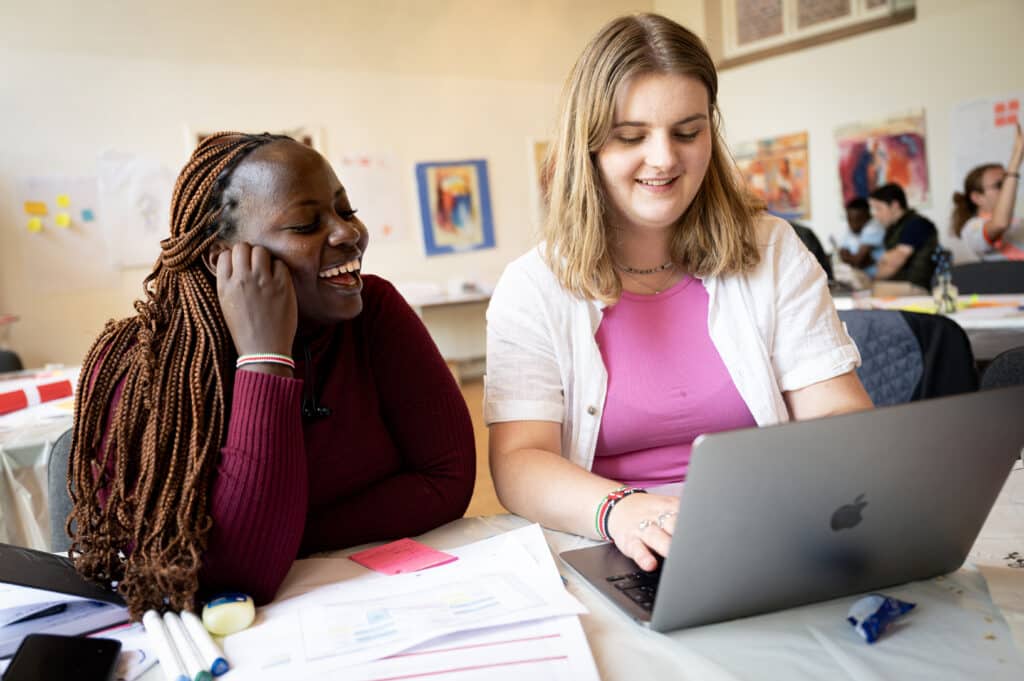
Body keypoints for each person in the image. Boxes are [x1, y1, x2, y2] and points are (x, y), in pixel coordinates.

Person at [484, 14, 872, 574]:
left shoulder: (773, 249)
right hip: (617, 542)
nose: (664, 158)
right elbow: (520, 461)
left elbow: (837, 410)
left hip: (771, 529)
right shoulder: (533, 287)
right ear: (587, 146)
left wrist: (798, 492)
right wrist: (620, 508)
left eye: (687, 132)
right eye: (631, 136)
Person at [68, 133, 475, 619]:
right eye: (306, 223)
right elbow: (242, 575)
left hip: (378, 606)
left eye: (346, 211)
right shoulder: (143, 366)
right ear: (225, 259)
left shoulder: (376, 311)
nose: (349, 234)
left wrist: (277, 529)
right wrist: (264, 356)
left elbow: (446, 482)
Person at [951, 122, 1024, 261]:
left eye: (1008, 183)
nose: (1009, 188)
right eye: (1000, 185)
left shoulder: (1019, 222)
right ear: (977, 197)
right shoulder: (973, 229)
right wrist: (1016, 159)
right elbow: (1000, 223)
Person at [868, 183, 938, 290]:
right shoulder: (894, 228)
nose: (875, 214)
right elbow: (886, 263)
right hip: (899, 283)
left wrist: (883, 258)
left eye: (878, 208)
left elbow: (894, 262)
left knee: (863, 296)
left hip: (917, 286)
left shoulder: (916, 224)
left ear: (895, 205)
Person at [838, 197, 885, 277]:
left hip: (875, 276)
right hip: (859, 274)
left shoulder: (874, 228)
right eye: (850, 220)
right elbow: (843, 254)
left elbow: (857, 260)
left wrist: (854, 259)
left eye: (857, 220)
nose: (853, 224)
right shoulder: (852, 230)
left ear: (868, 217)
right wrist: (862, 261)